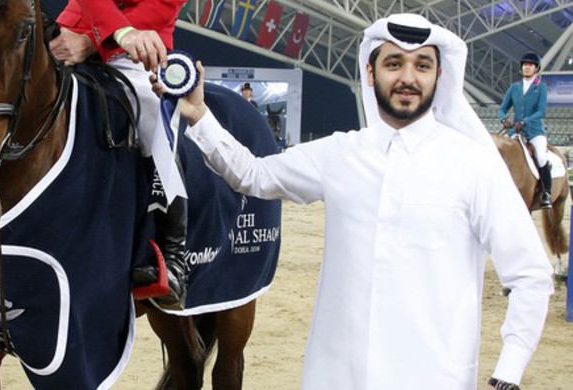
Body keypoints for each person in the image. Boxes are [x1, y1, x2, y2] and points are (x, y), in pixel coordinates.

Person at [153, 13, 553, 390]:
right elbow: (252, 175)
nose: (407, 78)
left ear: (439, 75)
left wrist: (509, 371)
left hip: (432, 375)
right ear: (370, 70)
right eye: (394, 64)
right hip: (335, 374)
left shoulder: (474, 165)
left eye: (422, 66)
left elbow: (530, 274)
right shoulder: (342, 154)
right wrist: (199, 115)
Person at [49, 0, 190, 310]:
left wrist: (103, 39)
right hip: (70, 31)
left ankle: (172, 254)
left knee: (154, 118)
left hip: (136, 46)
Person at [498, 52, 551, 208]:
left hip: (534, 131)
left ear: (536, 68)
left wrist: (525, 121)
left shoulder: (540, 87)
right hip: (515, 131)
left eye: (530, 65)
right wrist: (504, 120)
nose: (527, 67)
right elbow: (502, 108)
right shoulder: (514, 87)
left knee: (541, 156)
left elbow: (541, 111)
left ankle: (546, 192)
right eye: (525, 65)